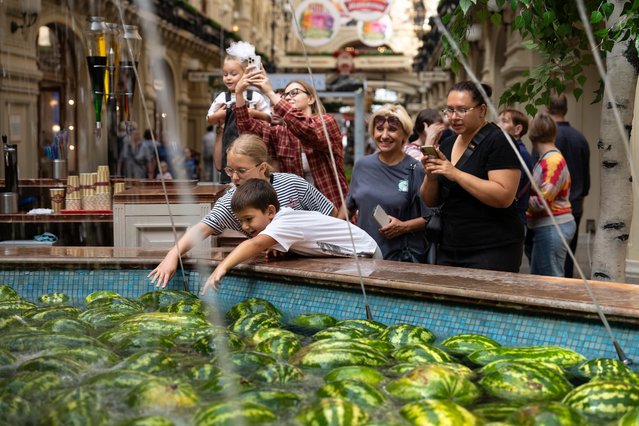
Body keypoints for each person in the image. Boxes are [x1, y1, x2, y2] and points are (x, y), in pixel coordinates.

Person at [148, 134, 337, 288]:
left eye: (242, 170)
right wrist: (172, 256)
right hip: (276, 273)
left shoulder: (293, 184)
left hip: (317, 262)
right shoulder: (232, 200)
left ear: (262, 167)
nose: (235, 177)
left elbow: (330, 214)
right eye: (230, 171)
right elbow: (203, 228)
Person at [200, 179, 381, 293]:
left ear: (270, 211)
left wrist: (222, 268)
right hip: (356, 251)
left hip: (366, 251)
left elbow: (254, 245)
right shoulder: (282, 220)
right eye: (240, 221)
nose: (245, 226)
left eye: (249, 219)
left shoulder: (283, 223)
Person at [420, 81, 524, 272]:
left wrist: (456, 173)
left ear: (482, 110)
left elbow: (503, 196)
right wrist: (431, 176)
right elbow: (430, 201)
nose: (453, 117)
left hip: (491, 248)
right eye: (449, 110)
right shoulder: (447, 144)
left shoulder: (499, 141)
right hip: (450, 247)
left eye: (462, 110)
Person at [234, 69, 349, 213]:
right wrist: (239, 93)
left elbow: (307, 129)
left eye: (294, 92)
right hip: (298, 211)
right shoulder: (281, 132)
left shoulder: (326, 122)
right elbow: (248, 130)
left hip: (334, 208)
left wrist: (270, 93)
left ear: (311, 98)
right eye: (285, 95)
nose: (288, 97)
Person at [345, 104, 431, 263]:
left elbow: (430, 218)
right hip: (364, 256)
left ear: (404, 134)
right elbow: (349, 208)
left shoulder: (415, 169)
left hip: (400, 261)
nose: (384, 135)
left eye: (392, 129)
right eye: (379, 129)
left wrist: (404, 226)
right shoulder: (362, 166)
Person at [206, 41, 271, 184]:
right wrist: (220, 115)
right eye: (225, 74)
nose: (228, 78)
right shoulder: (222, 97)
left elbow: (268, 117)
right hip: (229, 146)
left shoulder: (255, 97)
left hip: (251, 146)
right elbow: (209, 118)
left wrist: (253, 112)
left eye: (233, 74)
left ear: (246, 73)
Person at [526, 112, 576, 277]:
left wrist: (518, 201)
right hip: (549, 226)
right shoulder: (548, 158)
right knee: (541, 281)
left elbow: (542, 201)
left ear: (532, 135)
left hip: (553, 226)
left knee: (551, 283)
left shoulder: (552, 161)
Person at [548, 94, 590, 278]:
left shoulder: (546, 139)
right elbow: (586, 176)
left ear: (547, 110)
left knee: (550, 256)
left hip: (551, 206)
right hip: (575, 203)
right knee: (568, 256)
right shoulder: (580, 138)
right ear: (565, 109)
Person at [498, 108, 533, 227]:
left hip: (513, 220)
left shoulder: (519, 153)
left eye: (504, 121)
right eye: (499, 121)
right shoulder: (511, 150)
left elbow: (513, 189)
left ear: (517, 129)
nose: (498, 125)